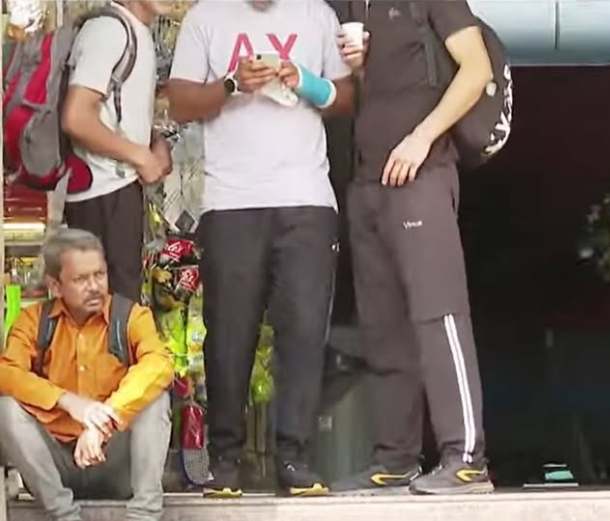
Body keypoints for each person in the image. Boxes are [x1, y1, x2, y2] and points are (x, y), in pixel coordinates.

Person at [166, 0, 355, 498]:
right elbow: (179, 102)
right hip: (231, 201)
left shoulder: (317, 14)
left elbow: (346, 99)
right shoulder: (206, 17)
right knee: (228, 334)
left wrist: (304, 80)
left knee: (304, 333)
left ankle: (295, 459)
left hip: (306, 199)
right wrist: (232, 84)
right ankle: (225, 460)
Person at [331, 0, 495, 495]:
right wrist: (358, 69)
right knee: (383, 326)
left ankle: (466, 458)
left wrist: (422, 138)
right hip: (368, 179)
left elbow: (477, 69)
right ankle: (395, 458)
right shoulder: (350, 6)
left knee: (439, 314)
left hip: (422, 174)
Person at [0, 229, 173, 521]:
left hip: (115, 462)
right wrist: (69, 402)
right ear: (55, 286)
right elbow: (6, 373)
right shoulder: (33, 321)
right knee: (5, 408)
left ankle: (144, 515)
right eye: (81, 279)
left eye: (99, 275)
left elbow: (159, 364)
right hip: (56, 467)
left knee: (155, 400)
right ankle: (64, 515)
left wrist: (102, 422)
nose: (94, 287)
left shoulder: (132, 316)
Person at [62, 0, 175, 300]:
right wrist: (140, 156)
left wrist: (153, 142)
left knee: (122, 307)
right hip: (102, 194)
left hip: (118, 190)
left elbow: (113, 113)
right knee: (112, 309)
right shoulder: (109, 30)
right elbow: (76, 117)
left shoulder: (134, 30)